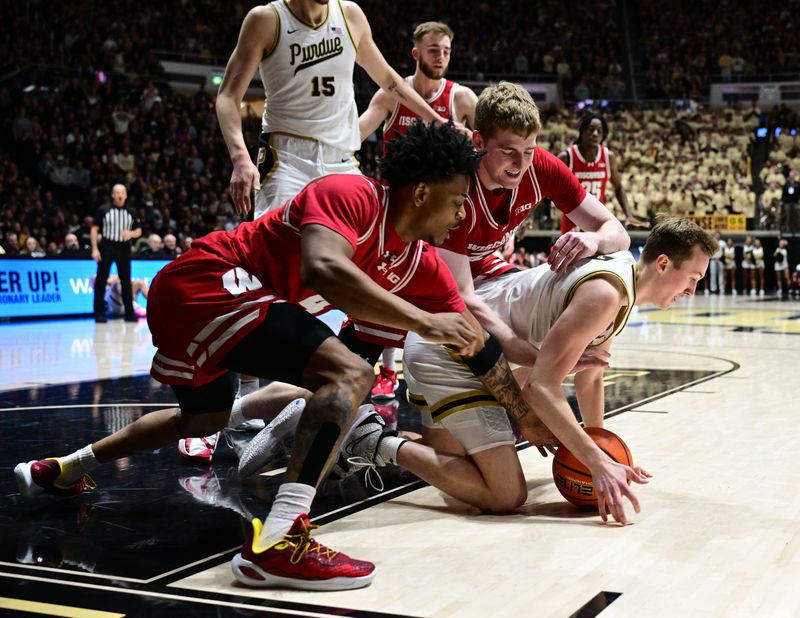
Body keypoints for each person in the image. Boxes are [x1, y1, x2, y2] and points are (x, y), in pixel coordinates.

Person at [14, 122, 485, 591]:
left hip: (206, 303)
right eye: (458, 199)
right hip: (211, 279)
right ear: (422, 192)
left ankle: (61, 469)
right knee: (350, 373)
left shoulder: (415, 263)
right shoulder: (354, 192)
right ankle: (279, 540)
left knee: (201, 421)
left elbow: (474, 342)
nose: (462, 215)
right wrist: (423, 323)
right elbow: (324, 269)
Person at [356, 217, 717, 522]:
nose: (692, 290)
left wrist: (601, 451)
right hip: (451, 352)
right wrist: (594, 463)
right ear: (664, 264)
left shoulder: (621, 283)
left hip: (472, 351)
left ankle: (380, 442)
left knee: (455, 467)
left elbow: (591, 376)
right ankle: (373, 440)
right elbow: (541, 388)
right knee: (505, 495)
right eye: (694, 277)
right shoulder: (605, 294)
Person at [216, 0, 463, 219]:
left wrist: (437, 120)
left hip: (342, 159)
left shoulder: (350, 14)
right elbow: (227, 95)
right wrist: (240, 158)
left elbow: (388, 79)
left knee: (359, 252)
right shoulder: (266, 20)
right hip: (287, 157)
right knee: (277, 256)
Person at [358, 21, 478, 401]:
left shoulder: (461, 99)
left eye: (445, 50)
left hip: (438, 214)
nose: (440, 56)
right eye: (432, 49)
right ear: (416, 54)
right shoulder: (392, 96)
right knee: (383, 289)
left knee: (442, 294)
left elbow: (485, 149)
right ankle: (386, 370)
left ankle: (441, 366)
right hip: (395, 212)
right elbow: (355, 134)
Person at [559, 113, 649, 234]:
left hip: (598, 221)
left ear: (603, 135)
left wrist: (628, 215)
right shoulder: (567, 157)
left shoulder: (608, 157)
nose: (595, 134)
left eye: (599, 131)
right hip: (572, 222)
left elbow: (618, 188)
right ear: (582, 131)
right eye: (591, 130)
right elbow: (544, 186)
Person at [91, 184, 141, 323]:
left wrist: (131, 233)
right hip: (106, 246)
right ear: (113, 195)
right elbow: (94, 229)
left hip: (124, 248)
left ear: (126, 195)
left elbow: (139, 231)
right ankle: (98, 313)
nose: (120, 195)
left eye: (122, 192)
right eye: (117, 192)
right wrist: (95, 248)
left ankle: (130, 313)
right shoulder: (104, 210)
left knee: (126, 281)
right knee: (101, 280)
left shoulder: (131, 211)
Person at [704, 231, 724, 295]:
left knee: (721, 274)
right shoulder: (712, 242)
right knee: (713, 274)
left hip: (720, 260)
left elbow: (725, 252)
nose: (717, 236)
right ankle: (713, 289)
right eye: (716, 235)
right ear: (715, 236)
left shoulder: (723, 243)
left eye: (718, 235)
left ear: (720, 236)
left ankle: (721, 288)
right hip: (713, 260)